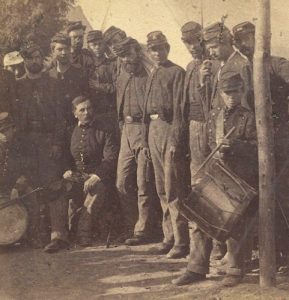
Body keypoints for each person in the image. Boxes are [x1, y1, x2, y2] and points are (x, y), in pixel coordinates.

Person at [172, 73, 258, 287]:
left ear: (242, 92)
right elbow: (210, 145)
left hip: (238, 179)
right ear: (220, 94)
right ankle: (196, 268)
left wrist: (235, 146)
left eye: (236, 92)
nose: (231, 97)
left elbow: (258, 147)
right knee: (201, 218)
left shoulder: (248, 117)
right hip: (217, 174)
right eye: (227, 93)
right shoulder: (214, 116)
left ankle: (236, 270)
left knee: (232, 222)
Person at [233, 21, 289, 262]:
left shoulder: (278, 64)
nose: (242, 45)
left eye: (246, 39)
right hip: (256, 142)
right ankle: (268, 252)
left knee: (282, 197)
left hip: (281, 140)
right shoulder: (244, 70)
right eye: (239, 41)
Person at [44, 96, 118, 252]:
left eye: (89, 108)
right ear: (74, 113)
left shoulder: (105, 130)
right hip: (75, 177)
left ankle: (83, 233)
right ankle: (58, 237)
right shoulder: (70, 131)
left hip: (98, 177)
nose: (87, 112)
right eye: (82, 110)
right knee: (57, 189)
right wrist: (66, 171)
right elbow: (63, 156)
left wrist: (96, 176)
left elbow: (110, 158)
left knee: (97, 188)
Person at [143, 31, 189, 259]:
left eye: (160, 48)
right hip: (154, 130)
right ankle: (168, 236)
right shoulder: (153, 71)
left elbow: (180, 110)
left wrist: (175, 139)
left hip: (169, 130)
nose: (157, 52)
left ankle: (181, 242)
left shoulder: (176, 72)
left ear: (167, 49)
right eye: (152, 49)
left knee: (173, 188)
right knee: (161, 188)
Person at [17, 43, 67, 250]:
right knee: (31, 187)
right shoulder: (18, 85)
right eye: (29, 58)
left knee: (53, 185)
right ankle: (36, 234)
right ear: (24, 61)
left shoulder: (53, 83)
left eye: (37, 57)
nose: (34, 61)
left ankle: (58, 236)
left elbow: (60, 117)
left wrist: (56, 141)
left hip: (48, 139)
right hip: (27, 141)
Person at [113, 37, 154, 245]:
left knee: (143, 182)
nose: (126, 59)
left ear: (137, 53)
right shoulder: (121, 77)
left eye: (129, 54)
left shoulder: (148, 76)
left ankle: (143, 230)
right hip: (126, 132)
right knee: (121, 182)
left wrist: (146, 139)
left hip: (143, 130)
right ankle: (132, 225)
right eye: (122, 56)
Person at [202, 22, 253, 110]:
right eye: (209, 49)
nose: (211, 53)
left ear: (226, 42)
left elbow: (247, 103)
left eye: (214, 47)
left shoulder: (242, 65)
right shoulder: (219, 66)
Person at [49, 33, 88, 137]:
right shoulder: (48, 75)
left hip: (76, 126)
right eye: (60, 49)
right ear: (53, 51)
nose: (64, 52)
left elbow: (87, 99)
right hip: (54, 129)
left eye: (66, 49)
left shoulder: (80, 72)